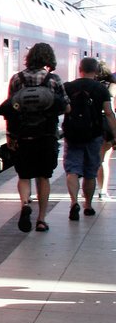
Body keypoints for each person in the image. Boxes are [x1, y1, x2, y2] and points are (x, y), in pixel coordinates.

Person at [0, 42, 68, 232]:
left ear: (29, 58)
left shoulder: (17, 79)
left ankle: (25, 205)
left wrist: (10, 135)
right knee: (44, 177)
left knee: (24, 175)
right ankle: (42, 220)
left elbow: (10, 108)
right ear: (49, 59)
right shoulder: (53, 80)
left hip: (23, 135)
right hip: (46, 136)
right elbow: (66, 106)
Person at [62, 56, 116, 220]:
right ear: (97, 71)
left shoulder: (68, 87)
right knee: (90, 172)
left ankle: (73, 202)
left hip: (72, 135)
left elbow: (62, 108)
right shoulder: (101, 89)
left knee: (72, 169)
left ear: (80, 69)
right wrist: (115, 134)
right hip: (94, 135)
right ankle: (88, 205)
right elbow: (108, 112)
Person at [95, 60, 114, 199]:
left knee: (91, 158)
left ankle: (87, 188)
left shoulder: (90, 86)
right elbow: (111, 110)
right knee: (104, 159)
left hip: (91, 125)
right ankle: (102, 191)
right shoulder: (111, 86)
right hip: (107, 125)